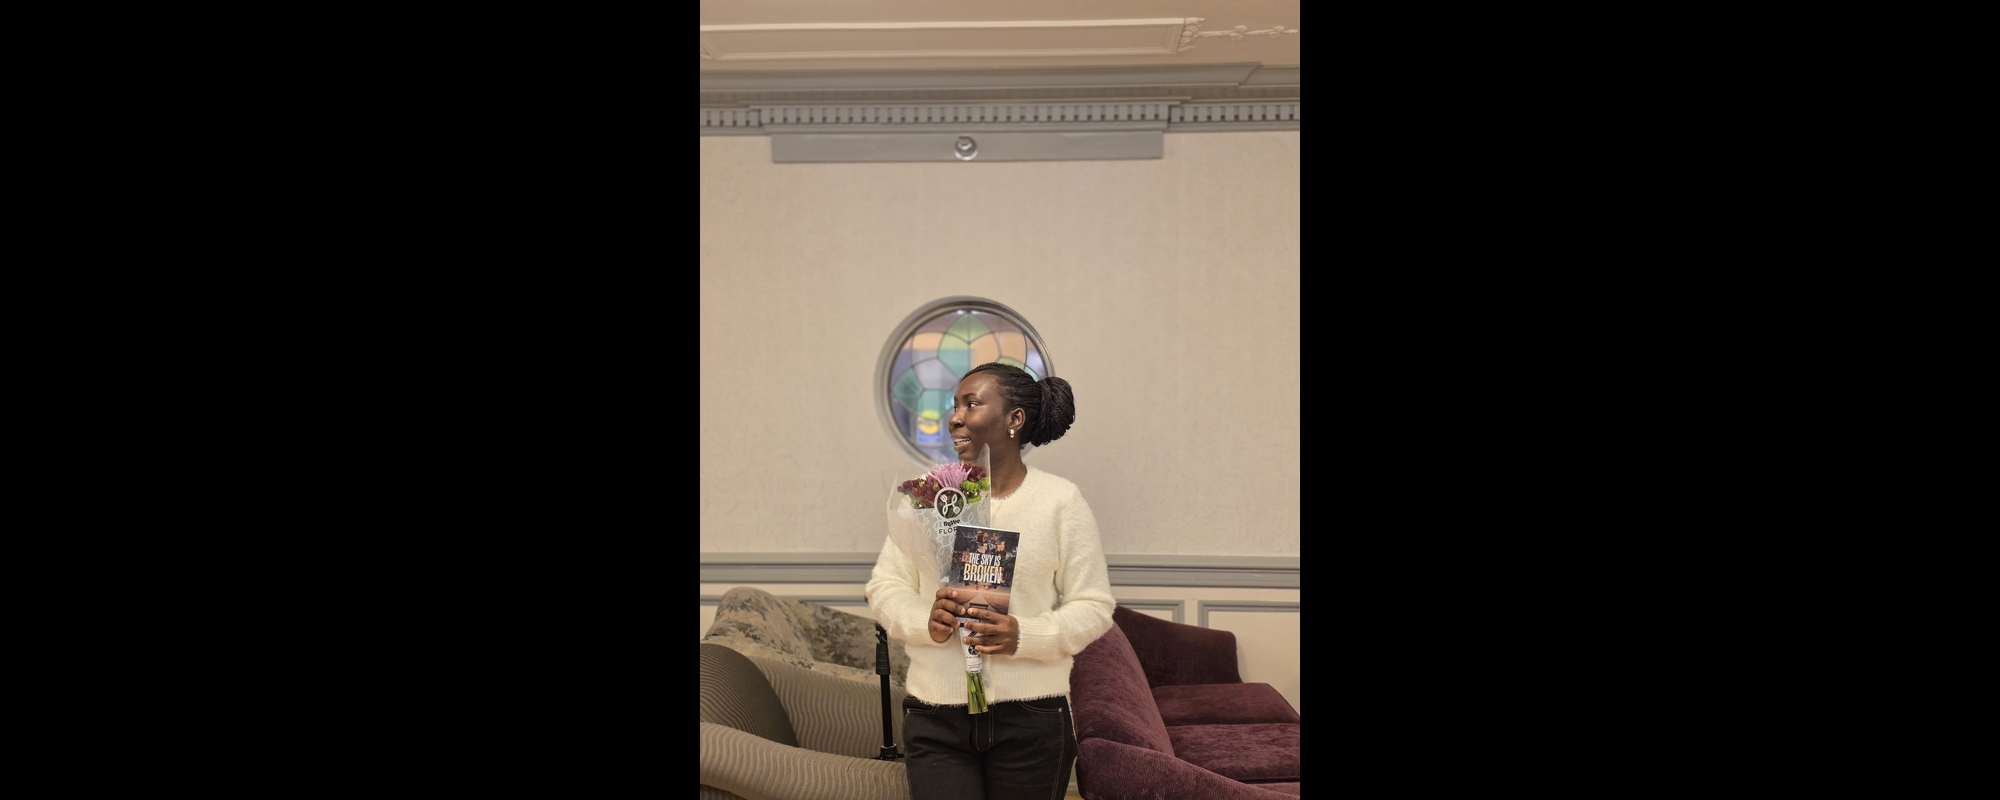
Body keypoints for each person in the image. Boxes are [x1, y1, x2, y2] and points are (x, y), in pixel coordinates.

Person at [867, 362, 1115, 800]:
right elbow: (884, 588)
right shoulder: (930, 494)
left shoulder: (1060, 502)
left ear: (1014, 420)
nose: (955, 417)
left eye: (972, 403)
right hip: (936, 717)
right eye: (954, 405)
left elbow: (1094, 605)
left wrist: (1025, 634)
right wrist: (927, 619)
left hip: (1033, 719)